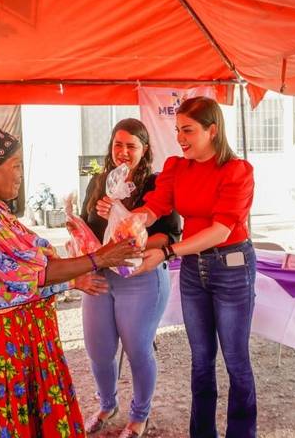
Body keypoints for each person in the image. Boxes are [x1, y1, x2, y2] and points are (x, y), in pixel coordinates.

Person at [0, 125, 141, 438]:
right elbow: (35, 273)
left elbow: (9, 277)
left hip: (3, 340)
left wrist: (73, 279)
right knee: (2, 420)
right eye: (16, 166)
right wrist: (101, 258)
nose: (21, 174)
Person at [129, 97, 256, 438]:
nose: (180, 137)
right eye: (177, 130)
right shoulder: (176, 166)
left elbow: (221, 230)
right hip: (192, 269)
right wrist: (126, 223)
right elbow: (154, 207)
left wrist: (169, 251)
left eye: (188, 130)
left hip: (230, 266)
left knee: (235, 360)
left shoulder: (237, 170)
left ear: (212, 130)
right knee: (201, 360)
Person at [80, 118, 181, 437]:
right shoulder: (98, 182)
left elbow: (168, 237)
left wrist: (127, 230)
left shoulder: (157, 184)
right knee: (98, 348)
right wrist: (79, 232)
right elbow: (87, 229)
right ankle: (107, 405)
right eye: (117, 144)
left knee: (137, 347)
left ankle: (140, 414)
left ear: (145, 149)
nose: (123, 152)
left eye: (131, 146)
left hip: (140, 277)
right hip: (99, 276)